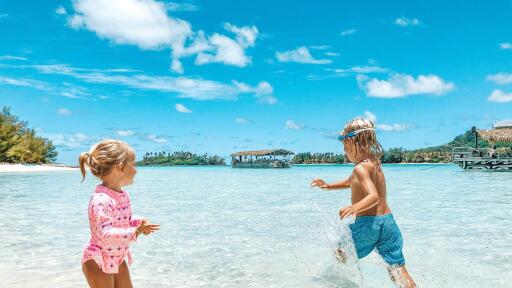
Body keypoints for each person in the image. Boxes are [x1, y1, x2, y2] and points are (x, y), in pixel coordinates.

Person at [311, 118, 416, 288]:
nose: (345, 152)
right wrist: (328, 186)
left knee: (341, 252)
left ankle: (341, 283)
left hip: (369, 225)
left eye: (345, 147)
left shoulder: (359, 168)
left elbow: (373, 196)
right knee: (396, 270)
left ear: (354, 142)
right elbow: (352, 181)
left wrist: (354, 207)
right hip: (388, 224)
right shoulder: (374, 161)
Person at [79, 140, 160, 288]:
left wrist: (139, 222)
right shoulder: (100, 200)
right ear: (121, 167)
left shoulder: (122, 195)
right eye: (133, 164)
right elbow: (106, 233)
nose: (136, 170)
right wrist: (135, 231)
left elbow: (125, 219)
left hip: (117, 257)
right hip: (99, 259)